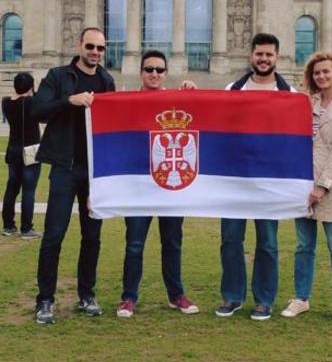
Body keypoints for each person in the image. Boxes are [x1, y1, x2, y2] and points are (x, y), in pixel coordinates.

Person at [32, 27, 116, 325]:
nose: (95, 52)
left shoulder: (107, 81)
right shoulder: (58, 76)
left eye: (100, 48)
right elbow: (37, 110)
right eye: (91, 46)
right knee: (54, 234)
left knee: (92, 236)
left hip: (94, 173)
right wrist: (70, 100)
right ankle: (44, 300)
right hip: (65, 168)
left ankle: (87, 294)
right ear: (80, 45)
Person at [217, 33, 295, 322]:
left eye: (269, 55)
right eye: (259, 54)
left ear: (276, 57)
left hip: (268, 183)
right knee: (230, 240)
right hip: (234, 180)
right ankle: (232, 296)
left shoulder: (289, 94)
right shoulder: (232, 89)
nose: (264, 59)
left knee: (268, 243)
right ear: (251, 56)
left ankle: (264, 300)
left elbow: (294, 140)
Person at [117, 50, 199, 318]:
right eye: (149, 69)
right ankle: (128, 297)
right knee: (135, 244)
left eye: (159, 70)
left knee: (173, 243)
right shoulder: (127, 102)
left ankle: (176, 295)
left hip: (169, 186)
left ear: (166, 74)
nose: (154, 74)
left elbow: (204, 115)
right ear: (141, 72)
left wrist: (193, 93)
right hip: (139, 187)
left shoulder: (177, 101)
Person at [281, 51, 332, 324]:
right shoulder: (308, 101)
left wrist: (323, 186)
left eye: (326, 71)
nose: (322, 76)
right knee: (304, 246)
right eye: (317, 73)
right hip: (303, 182)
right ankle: (301, 298)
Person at [1, 73, 41, 239]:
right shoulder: (32, 102)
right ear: (31, 86)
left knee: (11, 189)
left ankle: (8, 226)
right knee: (29, 191)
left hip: (13, 150)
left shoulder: (6, 102)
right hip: (30, 150)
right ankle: (26, 228)